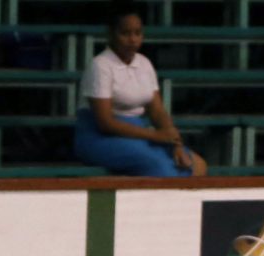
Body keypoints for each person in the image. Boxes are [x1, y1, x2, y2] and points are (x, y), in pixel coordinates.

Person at [74, 3, 206, 178]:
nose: (133, 40)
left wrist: (176, 144)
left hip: (139, 133)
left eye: (138, 33)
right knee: (161, 168)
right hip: (99, 137)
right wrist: (154, 135)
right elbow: (105, 123)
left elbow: (157, 111)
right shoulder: (101, 65)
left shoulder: (144, 63)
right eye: (125, 34)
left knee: (197, 165)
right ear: (111, 34)